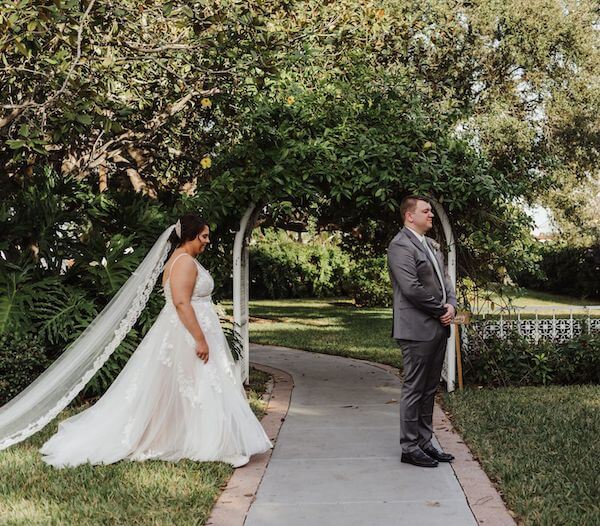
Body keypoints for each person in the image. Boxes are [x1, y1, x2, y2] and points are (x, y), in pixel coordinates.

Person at [40, 215, 272, 468]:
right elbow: (182, 303)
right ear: (190, 236)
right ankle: (217, 444)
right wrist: (199, 339)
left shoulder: (183, 259)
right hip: (188, 333)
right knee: (205, 384)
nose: (207, 241)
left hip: (189, 330)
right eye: (204, 236)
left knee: (195, 386)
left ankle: (204, 438)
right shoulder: (183, 261)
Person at [387, 196, 457, 468]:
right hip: (416, 329)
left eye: (431, 211)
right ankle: (409, 447)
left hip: (438, 327)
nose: (431, 215)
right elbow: (412, 288)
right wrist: (441, 310)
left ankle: (425, 443)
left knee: (429, 389)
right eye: (425, 211)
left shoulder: (430, 245)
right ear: (409, 216)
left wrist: (451, 304)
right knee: (414, 389)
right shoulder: (400, 246)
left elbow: (445, 280)